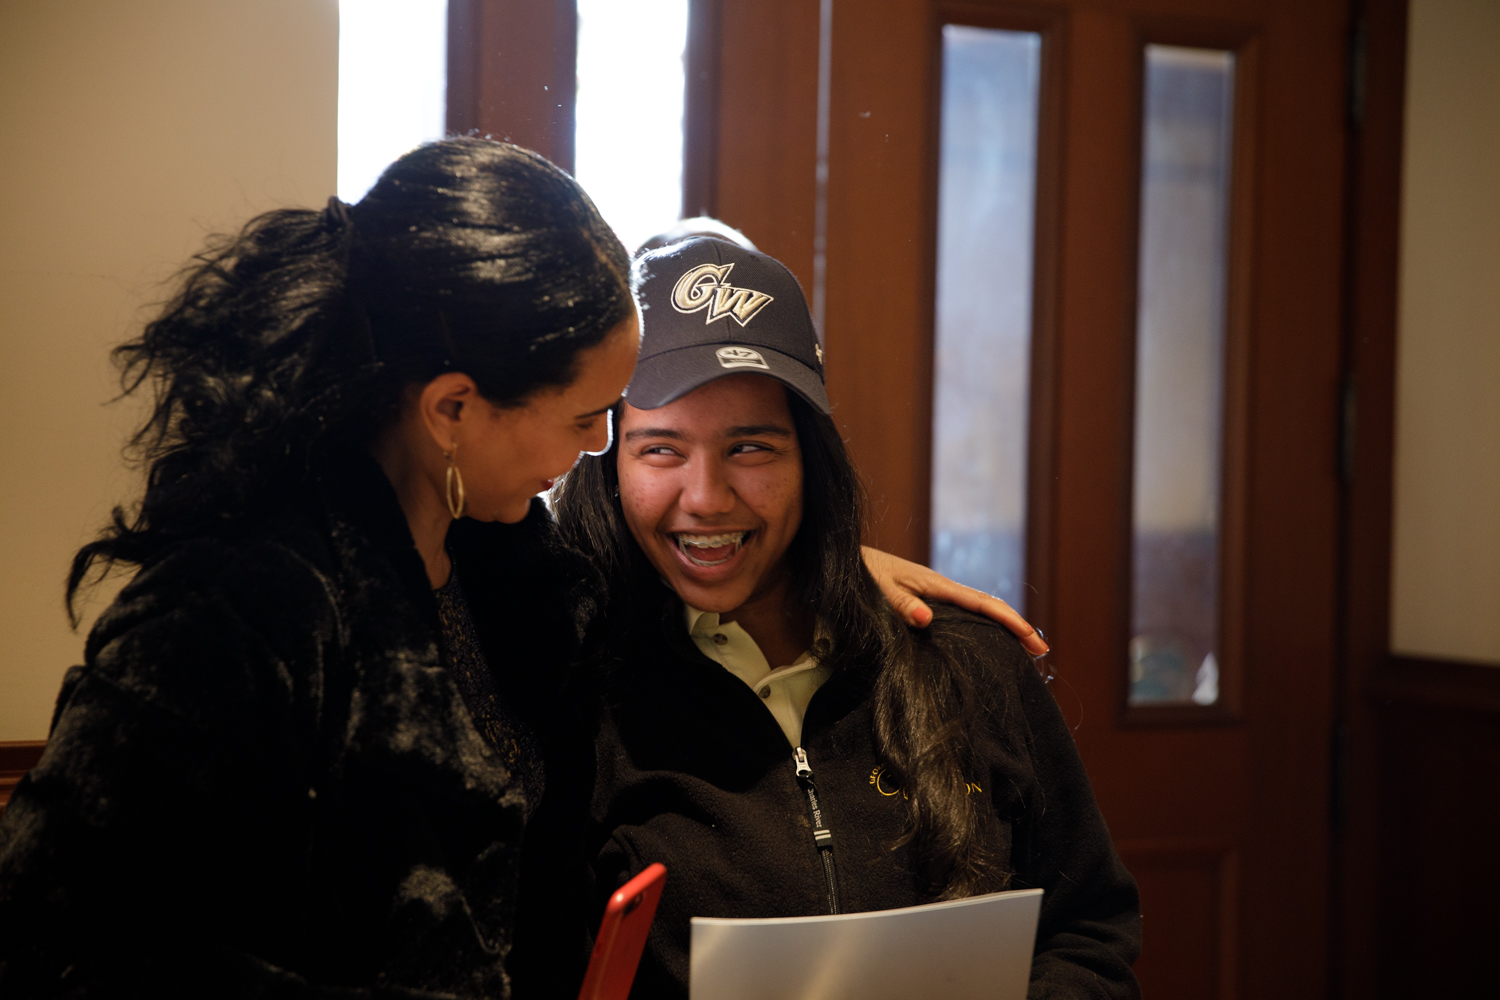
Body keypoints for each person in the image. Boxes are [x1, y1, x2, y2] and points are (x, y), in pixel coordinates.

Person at [0, 140, 1036, 998]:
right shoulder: (239, 606)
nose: (595, 450)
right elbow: (65, 934)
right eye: (591, 418)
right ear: (453, 409)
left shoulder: (499, 565)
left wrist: (820, 551)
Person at [542, 237, 1142, 999]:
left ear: (809, 460)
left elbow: (1089, 930)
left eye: (751, 447)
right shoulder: (571, 694)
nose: (707, 497)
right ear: (610, 464)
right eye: (660, 450)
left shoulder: (962, 659)